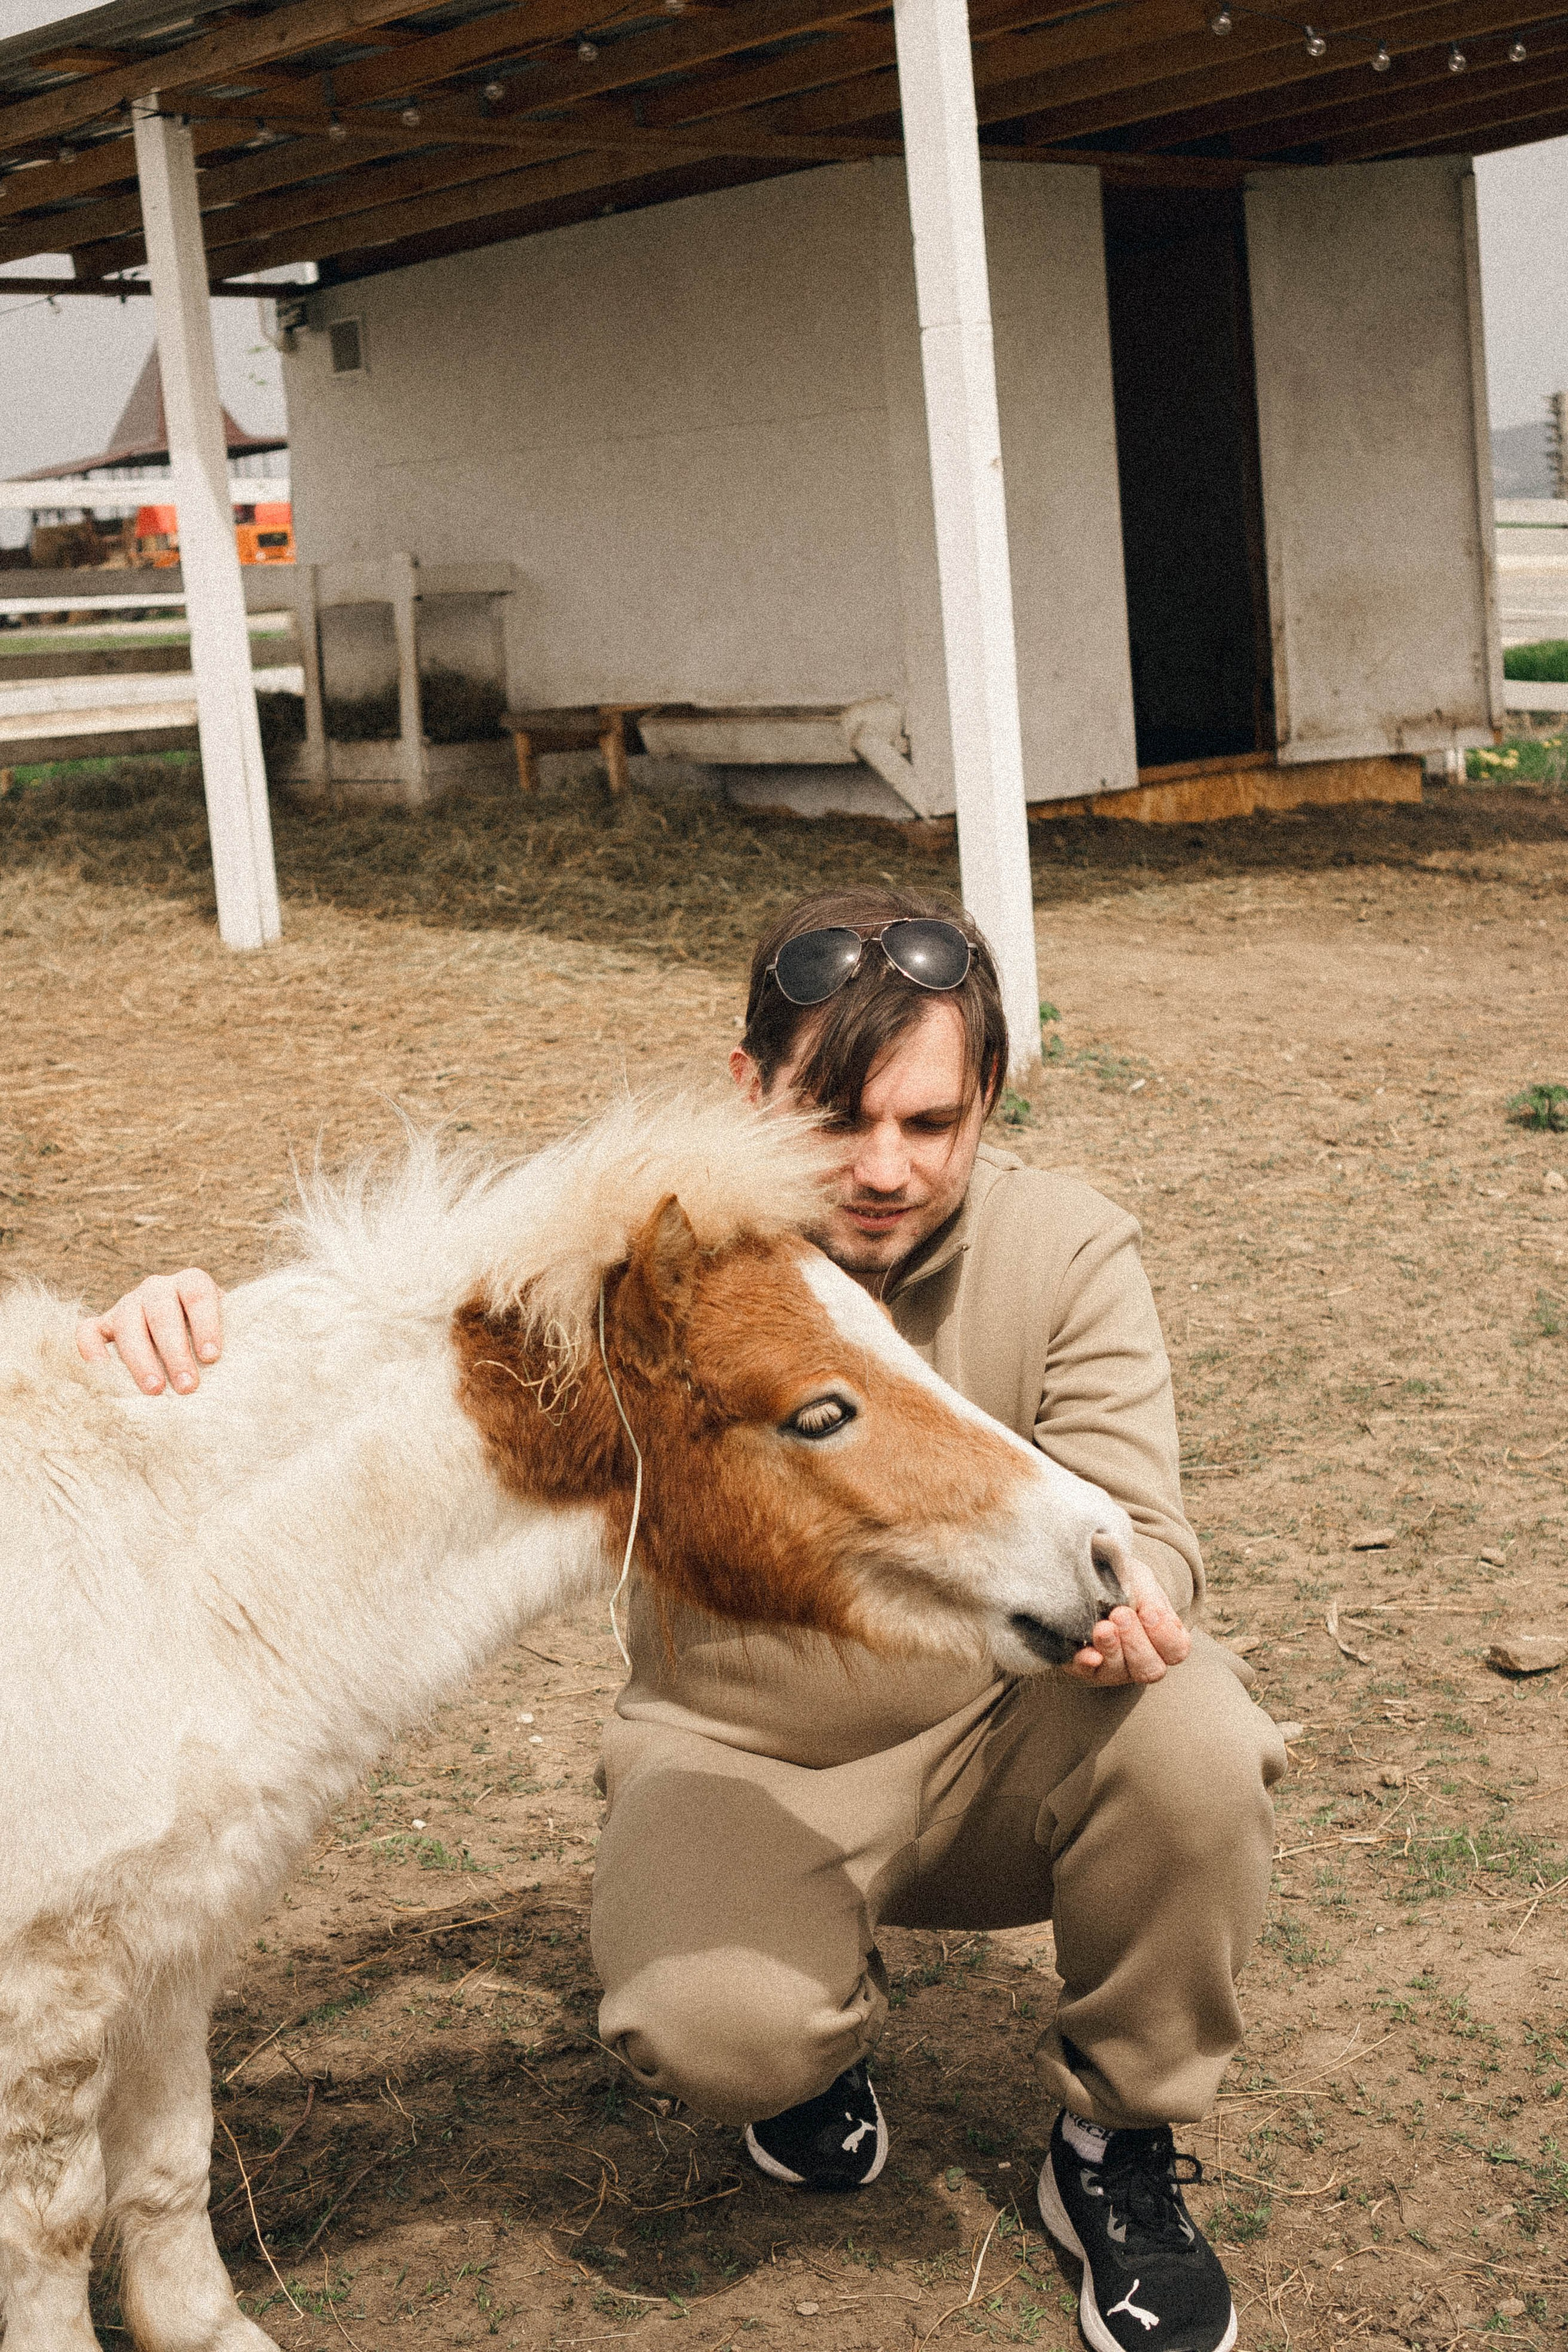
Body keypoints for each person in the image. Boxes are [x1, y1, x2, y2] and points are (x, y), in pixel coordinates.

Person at [81, 884, 1284, 2352]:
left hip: (990, 1743)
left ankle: (1117, 2149)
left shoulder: (1066, 1247)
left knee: (1197, 1731)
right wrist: (187, 1324)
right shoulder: (660, 1264)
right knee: (709, 2028)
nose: (887, 1169)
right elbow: (397, 1319)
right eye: (839, 1120)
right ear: (748, 1091)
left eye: (932, 1122)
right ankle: (806, 2035)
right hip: (740, 1755)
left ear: (987, 1103)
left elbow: (1140, 1525)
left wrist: (1133, 1595)